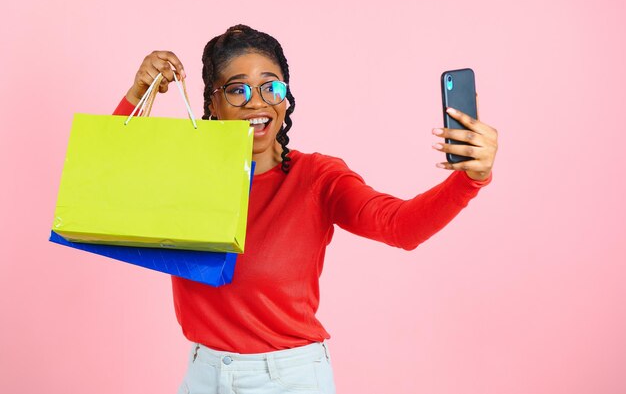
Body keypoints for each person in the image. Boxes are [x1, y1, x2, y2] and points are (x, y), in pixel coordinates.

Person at [113, 24, 498, 394]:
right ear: (212, 101)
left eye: (270, 86)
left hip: (287, 379)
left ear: (286, 95)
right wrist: (137, 95)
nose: (258, 102)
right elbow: (107, 185)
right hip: (203, 373)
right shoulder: (188, 176)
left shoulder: (317, 177)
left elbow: (399, 226)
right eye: (237, 90)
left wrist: (470, 179)